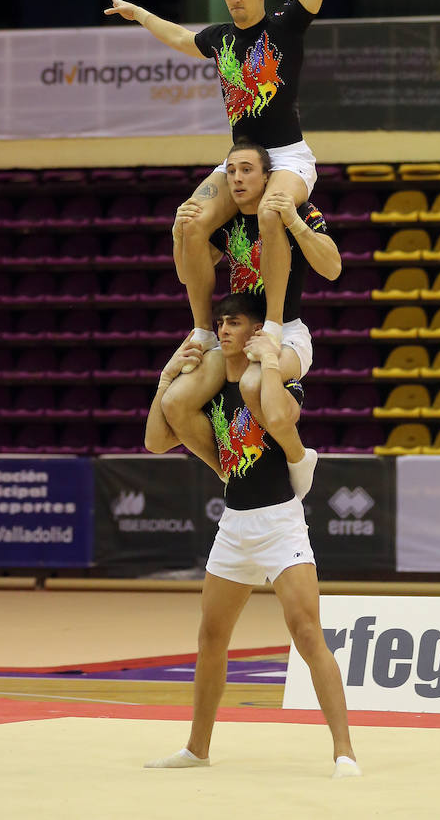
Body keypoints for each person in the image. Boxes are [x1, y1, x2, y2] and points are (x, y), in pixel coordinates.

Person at [105, 0, 354, 352]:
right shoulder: (219, 38)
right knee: (192, 223)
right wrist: (138, 13)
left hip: (286, 156)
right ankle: (201, 328)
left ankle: (276, 325)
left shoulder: (286, 26)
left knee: (271, 211)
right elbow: (180, 38)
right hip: (240, 158)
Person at [144, 294, 360, 779]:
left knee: (307, 633)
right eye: (219, 322)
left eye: (234, 322)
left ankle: (344, 751)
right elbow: (156, 441)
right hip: (235, 524)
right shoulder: (209, 389)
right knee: (211, 637)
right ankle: (196, 748)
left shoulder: (278, 380)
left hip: (280, 521)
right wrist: (165, 381)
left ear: (257, 330)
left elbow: (282, 419)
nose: (222, 330)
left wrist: (267, 357)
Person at [167, 138, 341, 498]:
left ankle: (298, 457)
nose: (237, 179)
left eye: (247, 170)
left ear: (267, 177)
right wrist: (178, 235)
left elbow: (333, 268)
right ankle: (226, 474)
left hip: (286, 334)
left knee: (252, 383)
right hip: (238, 339)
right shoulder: (227, 221)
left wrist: (295, 222)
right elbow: (188, 275)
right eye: (230, 172)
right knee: (175, 403)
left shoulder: (292, 207)